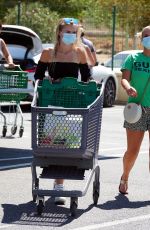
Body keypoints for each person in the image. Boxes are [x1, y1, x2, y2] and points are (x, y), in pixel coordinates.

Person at [34, 17, 93, 205]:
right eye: (67, 31)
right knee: (52, 143)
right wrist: (48, 82)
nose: (71, 35)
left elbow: (86, 78)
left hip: (72, 105)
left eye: (73, 32)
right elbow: (38, 77)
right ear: (59, 32)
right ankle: (56, 184)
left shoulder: (80, 52)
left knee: (67, 143)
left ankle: (59, 185)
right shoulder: (48, 53)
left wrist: (82, 87)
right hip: (50, 104)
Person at [119, 25, 150, 195]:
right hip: (137, 108)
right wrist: (128, 88)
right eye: (146, 35)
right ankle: (125, 176)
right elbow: (124, 79)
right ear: (141, 38)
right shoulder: (133, 58)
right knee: (133, 150)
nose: (148, 38)